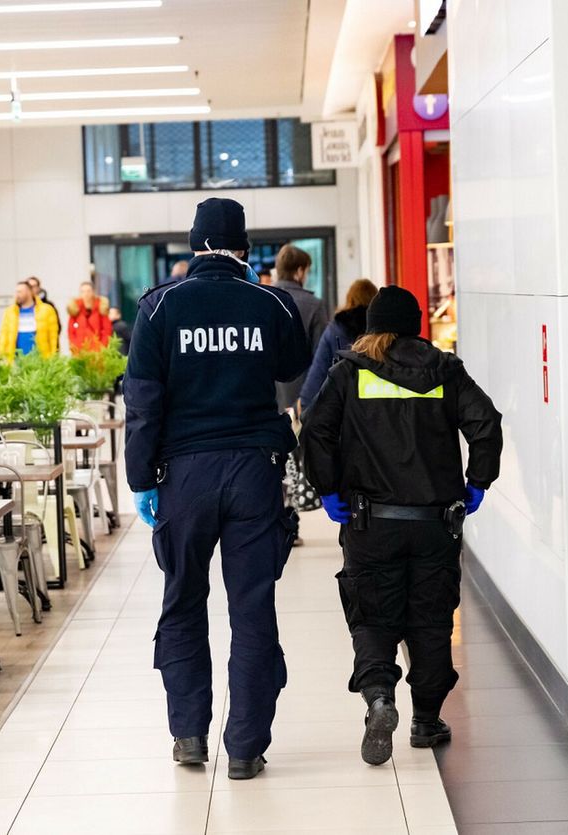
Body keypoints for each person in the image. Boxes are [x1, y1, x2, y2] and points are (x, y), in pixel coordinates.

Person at [125, 198, 310, 781]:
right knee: (251, 606)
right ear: (244, 248)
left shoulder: (158, 309)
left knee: (183, 600)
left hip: (184, 476)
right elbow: (292, 366)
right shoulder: (270, 302)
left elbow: (143, 403)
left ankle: (188, 734)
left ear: (194, 244)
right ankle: (246, 747)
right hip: (255, 470)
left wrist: (139, 478)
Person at [301, 286, 503, 766]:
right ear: (415, 324)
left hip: (371, 524)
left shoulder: (349, 372)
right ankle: (426, 721)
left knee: (373, 616)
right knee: (430, 620)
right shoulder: (444, 370)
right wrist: (478, 484)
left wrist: (328, 491)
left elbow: (315, 430)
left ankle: (379, 699)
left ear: (371, 324)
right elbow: (485, 422)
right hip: (435, 523)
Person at [299, 278, 378, 412]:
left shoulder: (336, 329)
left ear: (350, 300)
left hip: (343, 409)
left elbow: (318, 372)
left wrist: (304, 403)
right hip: (377, 408)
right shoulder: (381, 333)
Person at [273, 244, 328, 414]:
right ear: (299, 271)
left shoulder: (259, 300)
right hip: (302, 403)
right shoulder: (314, 305)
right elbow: (322, 357)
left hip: (266, 401)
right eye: (307, 271)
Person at [0, 280, 59, 359]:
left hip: (40, 358)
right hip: (17, 359)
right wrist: (1, 355)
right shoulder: (10, 312)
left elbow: (53, 337)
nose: (17, 295)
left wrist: (53, 356)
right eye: (16, 292)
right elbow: (4, 335)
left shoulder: (46, 310)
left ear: (29, 292)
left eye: (20, 292)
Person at [67, 281, 113, 351]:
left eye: (88, 291)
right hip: (80, 351)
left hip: (98, 352)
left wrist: (102, 347)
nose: (86, 294)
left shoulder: (101, 308)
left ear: (93, 292)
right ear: (80, 293)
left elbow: (107, 330)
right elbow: (71, 332)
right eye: (83, 291)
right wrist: (75, 347)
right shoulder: (75, 310)